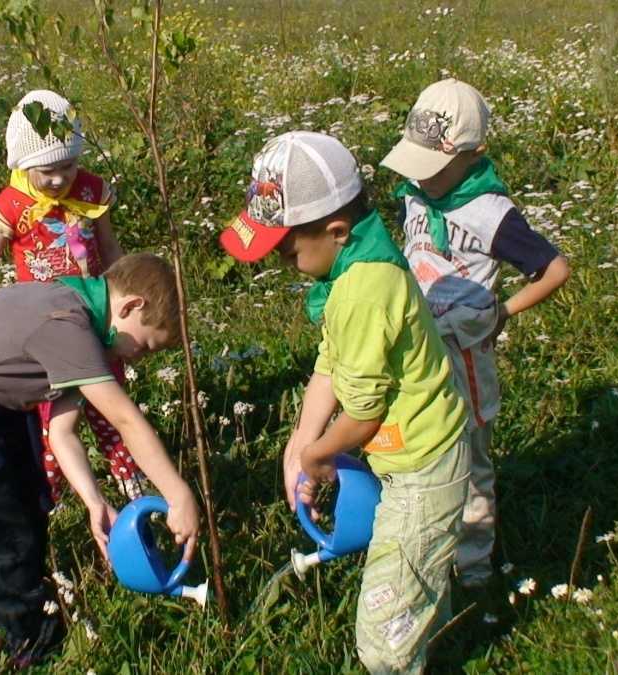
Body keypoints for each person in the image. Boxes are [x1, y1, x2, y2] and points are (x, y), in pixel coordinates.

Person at [219, 131, 469, 673]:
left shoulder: (362, 292)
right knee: (416, 583)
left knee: (382, 641)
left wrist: (317, 458)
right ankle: (430, 639)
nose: (280, 262)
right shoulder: (354, 267)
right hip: (413, 461)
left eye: (285, 250)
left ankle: (400, 657)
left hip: (424, 473)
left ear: (335, 231)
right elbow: (330, 365)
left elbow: (362, 416)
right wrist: (300, 442)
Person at [0, 253, 200, 665]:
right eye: (145, 346)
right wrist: (178, 494)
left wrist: (94, 501)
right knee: (0, 533)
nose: (137, 358)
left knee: (28, 503)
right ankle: (32, 645)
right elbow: (126, 421)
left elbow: (62, 430)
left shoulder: (78, 307)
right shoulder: (67, 324)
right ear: (131, 306)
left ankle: (30, 614)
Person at [380, 78, 570, 588]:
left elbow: (554, 269)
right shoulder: (415, 196)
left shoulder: (490, 213)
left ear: (475, 153)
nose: (425, 177)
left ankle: (473, 567)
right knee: (421, 445)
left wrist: (502, 312)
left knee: (469, 456)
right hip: (417, 348)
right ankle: (421, 540)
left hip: (463, 354)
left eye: (437, 167)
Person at [0, 89, 145, 501]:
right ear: (24, 165)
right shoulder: (13, 205)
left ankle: (134, 489)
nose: (60, 178)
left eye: (68, 165)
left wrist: (124, 298)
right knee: (54, 424)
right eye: (47, 171)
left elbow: (111, 249)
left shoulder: (91, 191)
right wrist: (7, 318)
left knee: (114, 411)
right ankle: (52, 499)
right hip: (46, 337)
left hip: (97, 323)